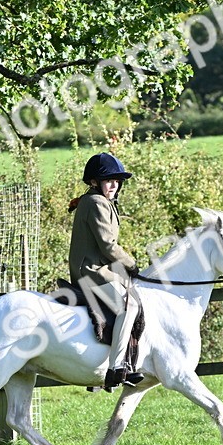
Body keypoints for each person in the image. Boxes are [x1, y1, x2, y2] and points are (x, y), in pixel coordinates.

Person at [68, 152, 145, 390]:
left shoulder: (100, 201)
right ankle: (116, 368)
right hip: (91, 271)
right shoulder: (96, 203)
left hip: (99, 268)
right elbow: (108, 245)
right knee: (128, 306)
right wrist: (131, 264)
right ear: (94, 182)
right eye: (109, 180)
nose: (114, 185)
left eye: (117, 181)